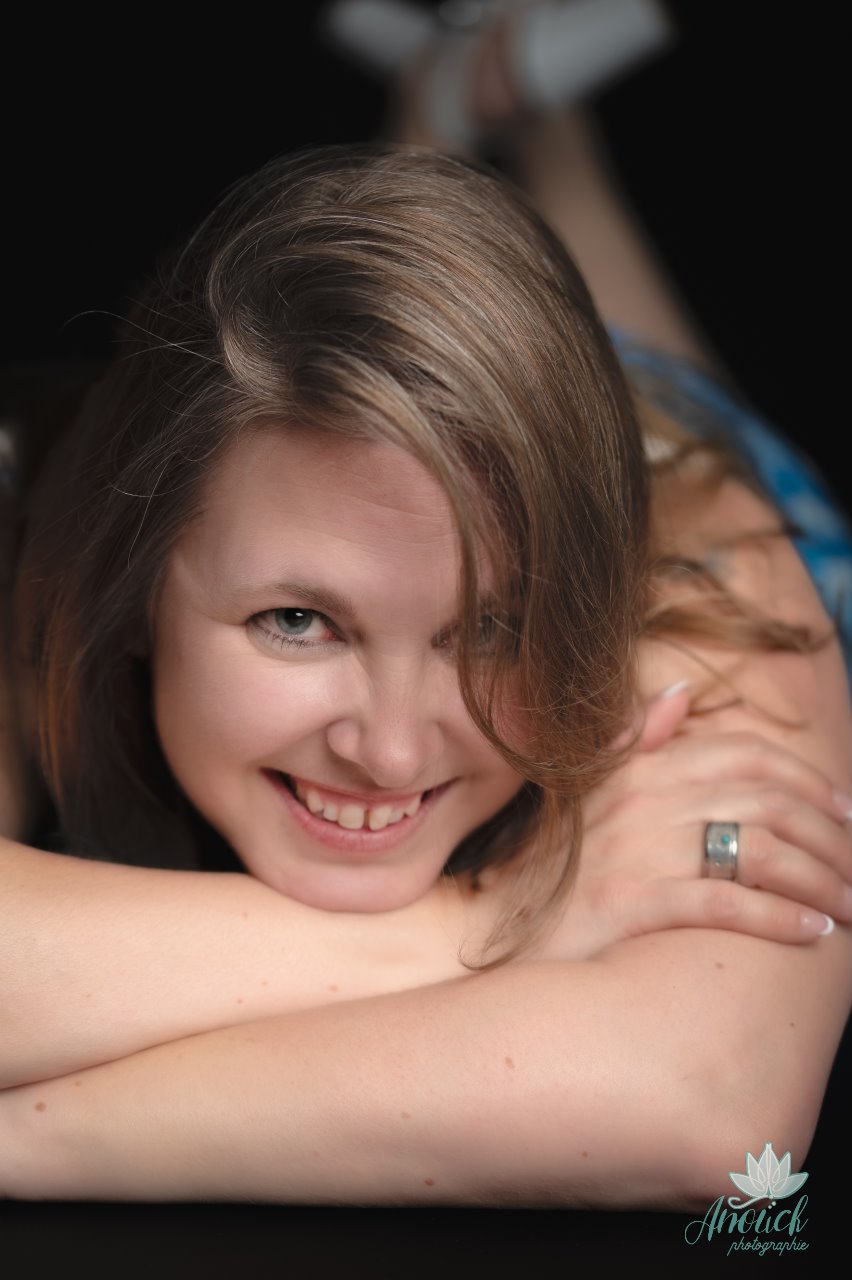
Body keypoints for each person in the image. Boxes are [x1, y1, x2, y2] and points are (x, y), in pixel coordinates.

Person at [1, 1, 851, 1208]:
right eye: (298, 620)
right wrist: (488, 917)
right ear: (131, 579)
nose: (390, 750)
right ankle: (456, 114)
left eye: (492, 628)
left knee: (645, 379)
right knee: (390, 313)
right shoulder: (38, 525)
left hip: (669, 455)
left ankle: (515, 123)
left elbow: (702, 1105)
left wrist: (27, 1138)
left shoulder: (704, 588)